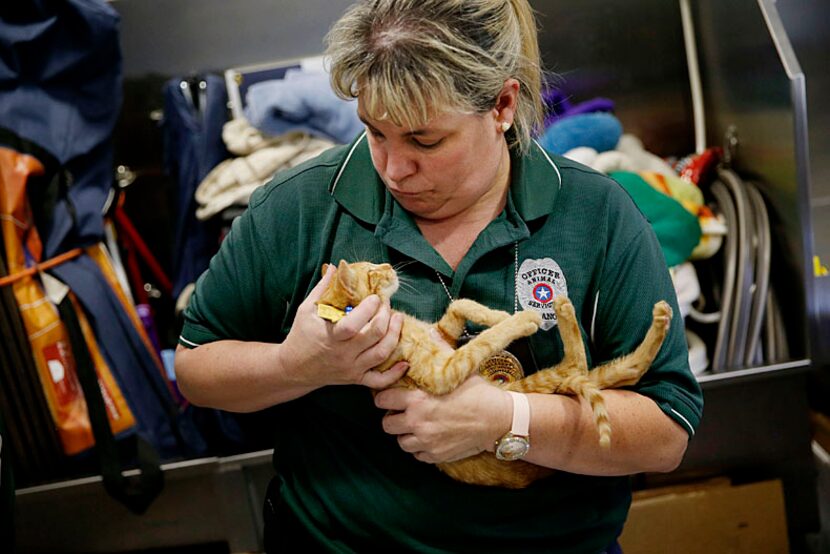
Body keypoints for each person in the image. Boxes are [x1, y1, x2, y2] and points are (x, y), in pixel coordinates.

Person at [174, 0, 704, 551]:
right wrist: (296, 365)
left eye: (425, 141)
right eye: (375, 133)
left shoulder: (596, 215)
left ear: (501, 105)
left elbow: (664, 436)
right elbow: (195, 368)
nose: (393, 169)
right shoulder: (300, 208)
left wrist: (508, 418)